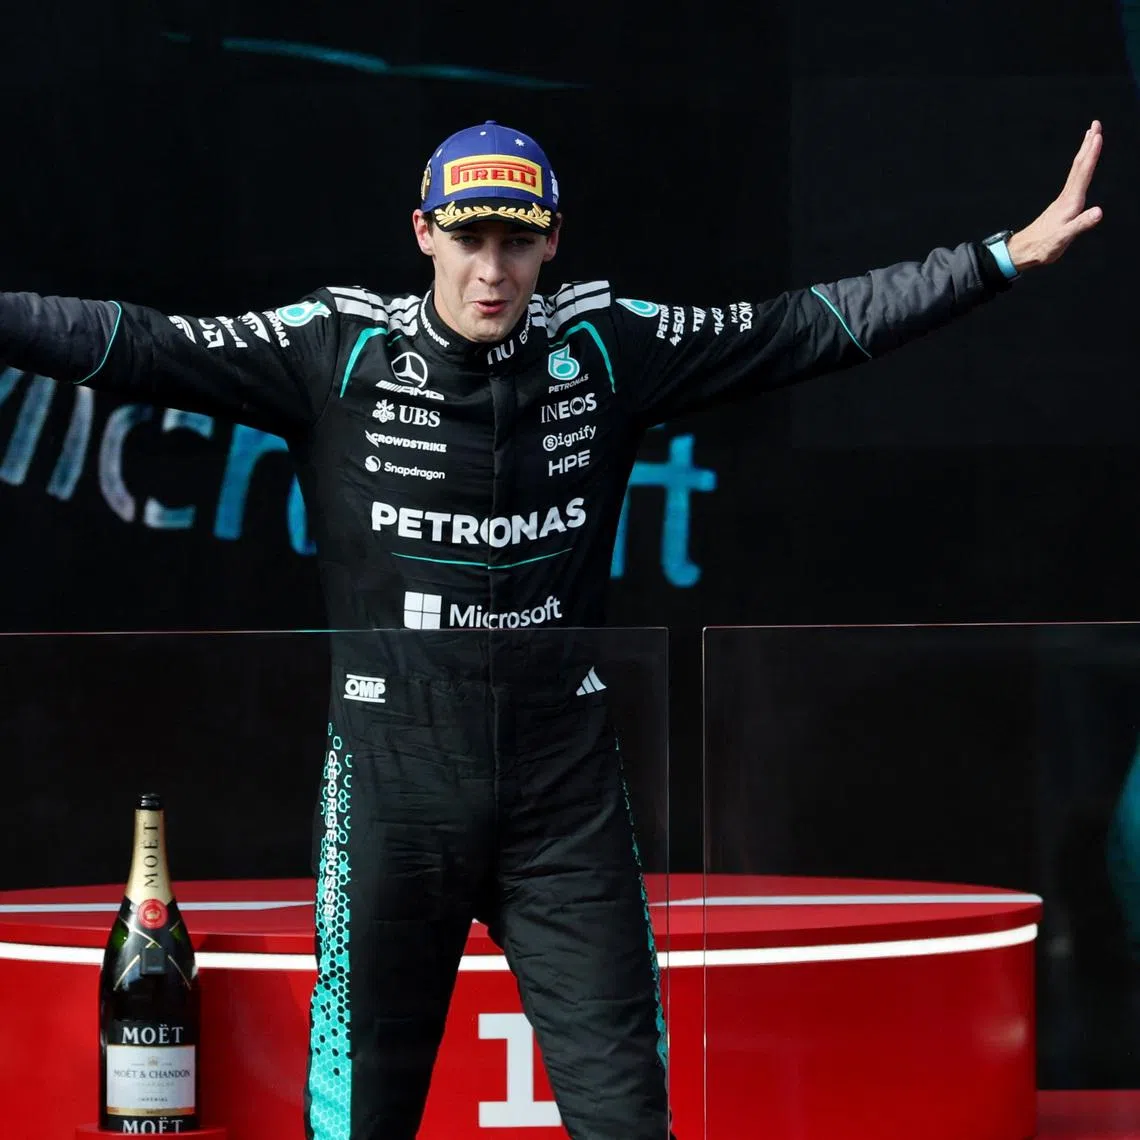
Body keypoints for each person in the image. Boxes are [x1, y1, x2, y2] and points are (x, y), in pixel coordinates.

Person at [0, 117, 1104, 1139]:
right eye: (469, 237)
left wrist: (1001, 258)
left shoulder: (608, 347)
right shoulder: (334, 349)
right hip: (392, 784)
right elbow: (133, 342)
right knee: (359, 1108)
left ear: (552, 242)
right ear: (423, 232)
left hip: (563, 792)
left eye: (518, 243)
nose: (493, 270)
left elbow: (804, 328)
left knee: (626, 1108)